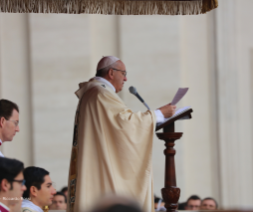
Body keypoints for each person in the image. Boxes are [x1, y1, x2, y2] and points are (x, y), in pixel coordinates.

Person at [67, 56, 176, 212]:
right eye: (123, 73)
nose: (126, 78)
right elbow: (125, 124)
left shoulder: (93, 91)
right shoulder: (101, 93)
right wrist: (158, 114)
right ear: (111, 72)